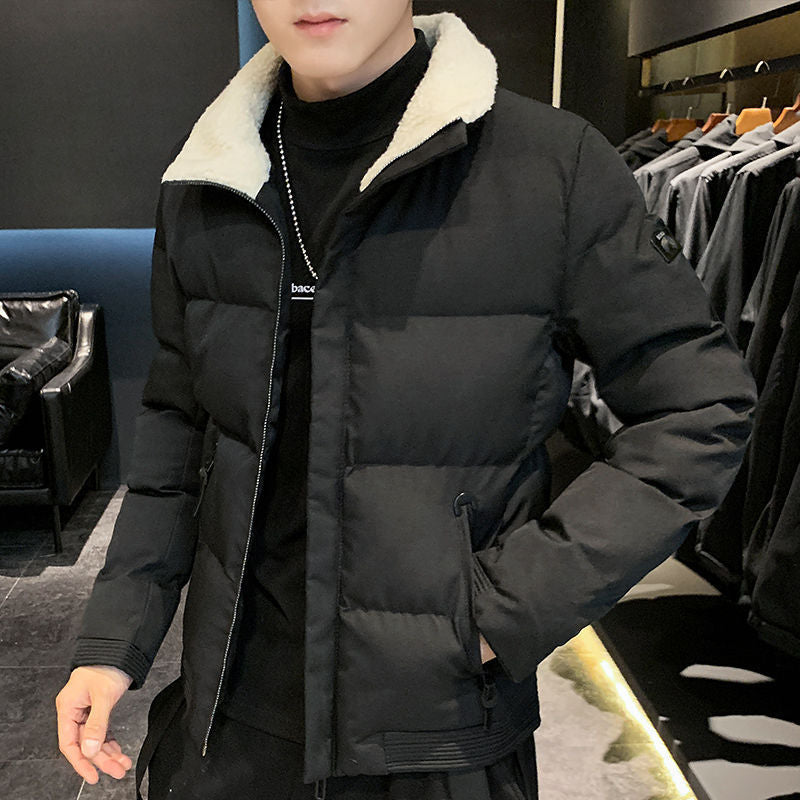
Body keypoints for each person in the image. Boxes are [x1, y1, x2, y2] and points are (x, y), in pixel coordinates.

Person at [55, 3, 758, 799]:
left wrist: (509, 607)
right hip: (228, 724)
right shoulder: (209, 177)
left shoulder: (551, 166)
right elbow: (178, 431)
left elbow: (700, 407)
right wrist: (113, 638)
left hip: (436, 733)